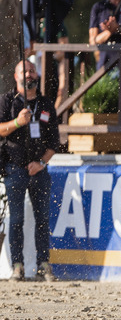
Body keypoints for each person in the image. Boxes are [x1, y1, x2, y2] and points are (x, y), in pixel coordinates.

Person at [1, 61, 59, 281]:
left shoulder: (46, 104)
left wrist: (41, 163)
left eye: (32, 70)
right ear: (16, 76)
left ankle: (44, 264)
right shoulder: (7, 101)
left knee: (42, 219)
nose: (29, 74)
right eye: (24, 71)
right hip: (14, 167)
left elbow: (54, 141)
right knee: (16, 219)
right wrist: (17, 122)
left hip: (39, 170)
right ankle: (18, 266)